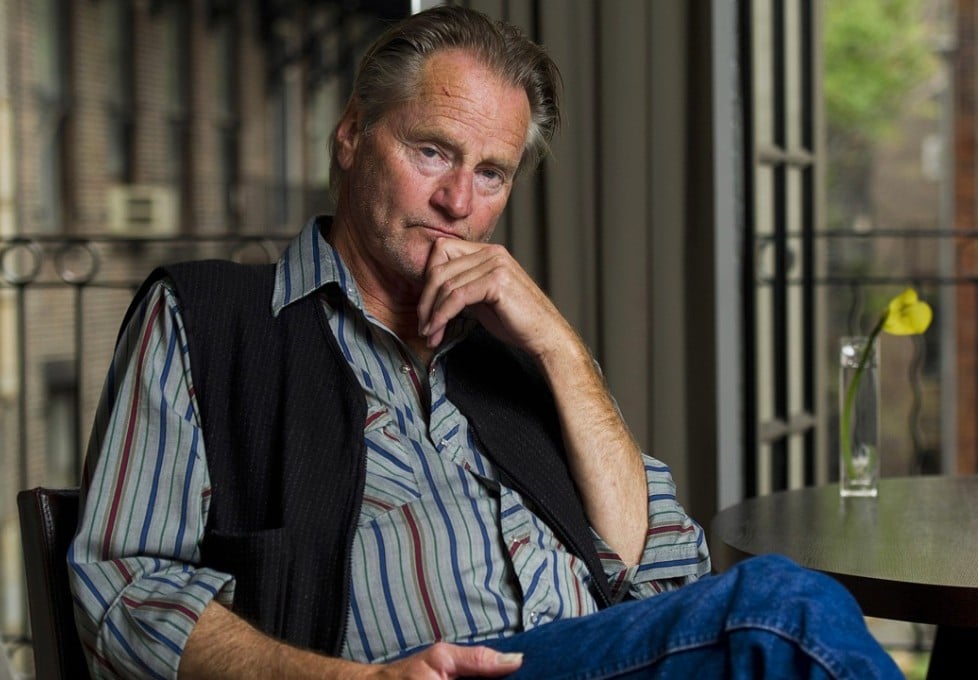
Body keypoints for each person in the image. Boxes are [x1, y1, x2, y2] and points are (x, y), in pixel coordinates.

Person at [69, 5, 901, 679]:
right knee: (784, 615)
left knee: (779, 618)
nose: (459, 201)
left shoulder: (517, 345)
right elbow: (123, 583)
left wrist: (563, 352)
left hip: (596, 661)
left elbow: (667, 572)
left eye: (492, 172)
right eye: (432, 152)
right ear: (353, 135)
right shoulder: (213, 319)